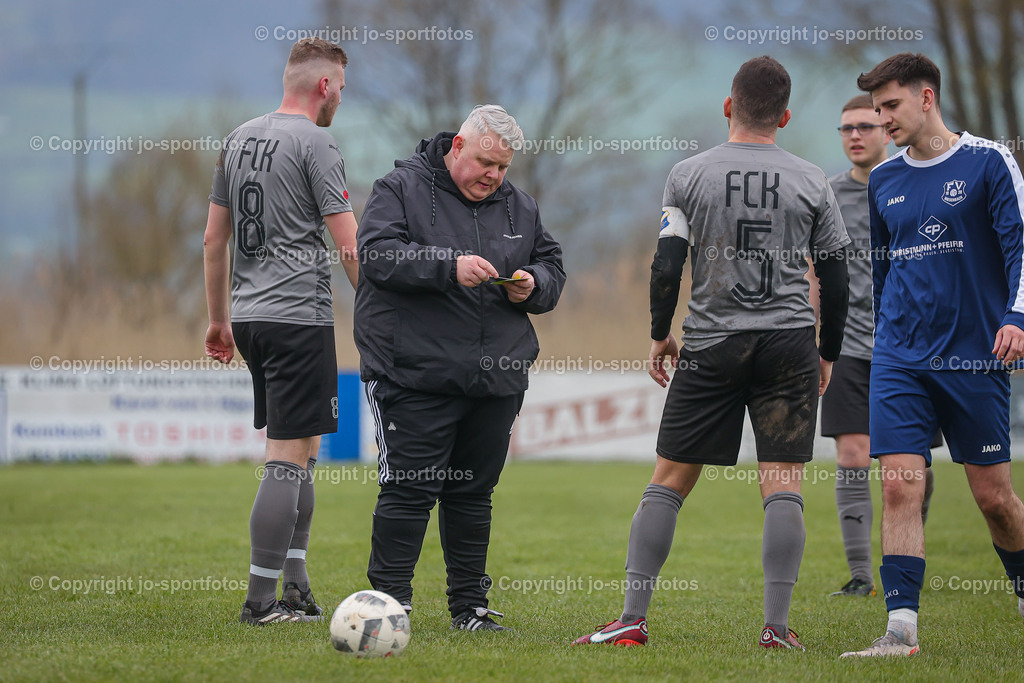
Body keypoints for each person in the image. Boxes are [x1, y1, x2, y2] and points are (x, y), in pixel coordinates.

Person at [572, 56, 850, 651]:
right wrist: (826, 350)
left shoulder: (688, 174)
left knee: (669, 478)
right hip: (789, 344)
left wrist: (657, 333)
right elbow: (837, 274)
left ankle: (631, 619)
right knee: (782, 482)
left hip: (711, 341)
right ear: (786, 115)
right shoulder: (813, 180)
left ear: (728, 106)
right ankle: (776, 629)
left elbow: (667, 263)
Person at [354, 105, 565, 631]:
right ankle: (389, 609)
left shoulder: (520, 207)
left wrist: (535, 283)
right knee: (409, 490)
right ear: (456, 148)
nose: (493, 176)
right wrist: (448, 267)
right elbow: (376, 256)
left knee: (472, 494)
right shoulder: (398, 188)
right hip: (414, 373)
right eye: (485, 162)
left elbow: (555, 267)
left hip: (495, 380)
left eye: (503, 168)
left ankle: (469, 609)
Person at [841, 53, 1024, 658]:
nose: (881, 120)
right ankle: (900, 631)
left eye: (890, 106)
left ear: (926, 98)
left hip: (974, 356)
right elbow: (883, 268)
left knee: (994, 499)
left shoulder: (989, 162)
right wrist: (882, 339)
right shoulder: (885, 181)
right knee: (900, 486)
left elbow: (1021, 249)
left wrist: (1017, 318)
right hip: (899, 355)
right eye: (875, 109)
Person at [203, 37, 359, 626]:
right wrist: (375, 307)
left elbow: (213, 240)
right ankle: (260, 602)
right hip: (298, 317)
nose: (340, 97)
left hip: (249, 318)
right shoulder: (317, 141)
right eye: (341, 87)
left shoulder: (238, 137)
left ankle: (296, 589)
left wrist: (219, 320)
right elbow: (347, 242)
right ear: (324, 86)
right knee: (287, 457)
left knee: (306, 448)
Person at [815, 94, 938, 598]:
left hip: (911, 345)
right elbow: (812, 273)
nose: (855, 136)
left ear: (887, 130)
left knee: (909, 464)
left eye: (865, 126)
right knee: (852, 452)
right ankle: (862, 576)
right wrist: (815, 336)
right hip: (844, 346)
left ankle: (908, 553)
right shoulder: (825, 193)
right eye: (846, 129)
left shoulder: (915, 183)